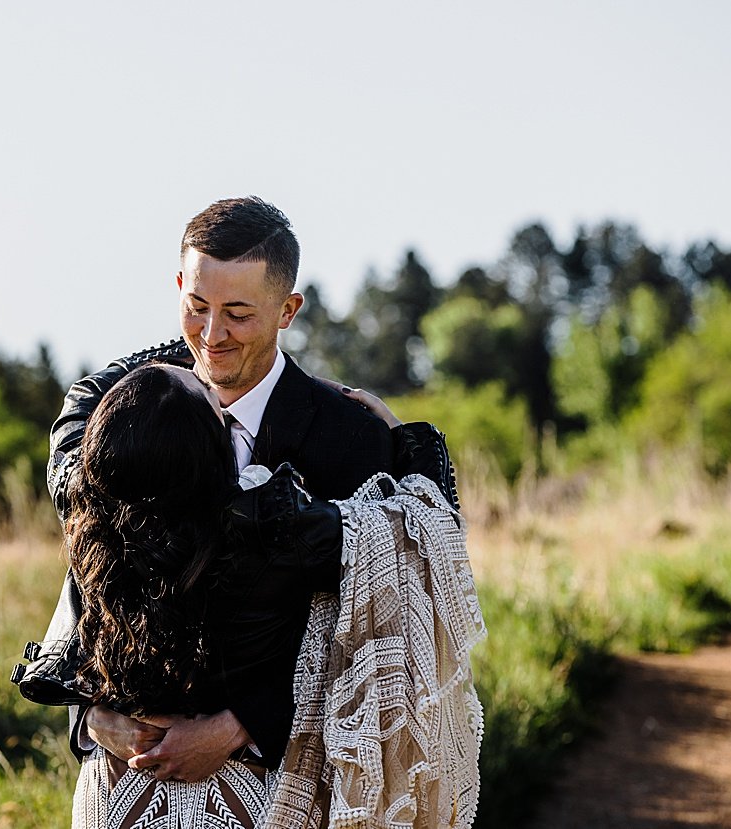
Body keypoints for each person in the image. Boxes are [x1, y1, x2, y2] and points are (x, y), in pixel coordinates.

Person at [43, 198, 474, 826]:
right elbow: (91, 566)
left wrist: (242, 724)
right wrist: (93, 712)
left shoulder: (349, 437)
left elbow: (395, 614)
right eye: (197, 308)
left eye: (239, 314)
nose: (212, 335)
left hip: (284, 789)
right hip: (121, 787)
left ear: (287, 310)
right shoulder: (126, 416)